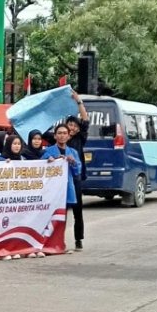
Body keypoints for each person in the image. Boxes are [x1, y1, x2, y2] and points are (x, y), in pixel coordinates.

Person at [42, 124, 82, 252]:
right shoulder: (49, 151)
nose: (62, 135)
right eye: (59, 133)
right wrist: (50, 160)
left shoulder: (73, 152)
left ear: (68, 136)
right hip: (53, 190)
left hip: (67, 188)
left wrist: (73, 162)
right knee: (53, 217)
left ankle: (64, 242)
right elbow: (41, 165)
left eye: (65, 133)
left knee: (64, 216)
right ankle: (50, 242)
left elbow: (77, 171)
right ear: (55, 136)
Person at [66, 91, 89, 251]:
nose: (72, 128)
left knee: (77, 209)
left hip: (76, 177)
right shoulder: (58, 139)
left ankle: (78, 239)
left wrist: (79, 102)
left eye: (75, 126)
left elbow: (85, 120)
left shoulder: (80, 139)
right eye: (70, 125)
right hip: (60, 179)